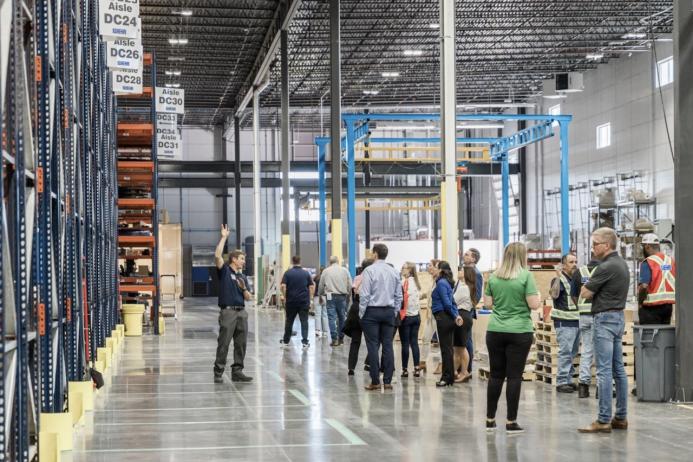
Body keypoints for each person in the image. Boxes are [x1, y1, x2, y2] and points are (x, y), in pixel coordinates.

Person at [484, 242, 540, 433]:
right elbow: (534, 305)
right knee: (514, 377)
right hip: (519, 331)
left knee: (496, 375)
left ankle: (490, 419)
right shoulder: (526, 276)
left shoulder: (493, 277)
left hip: (495, 330)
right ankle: (510, 421)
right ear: (522, 256)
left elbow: (488, 304)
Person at [578, 227, 630, 434]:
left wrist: (590, 288)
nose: (592, 248)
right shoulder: (622, 264)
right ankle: (621, 417)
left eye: (595, 244)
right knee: (618, 371)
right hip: (617, 318)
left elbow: (585, 293)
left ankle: (603, 419)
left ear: (606, 245)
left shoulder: (605, 267)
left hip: (604, 319)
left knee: (604, 371)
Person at [359, 244, 403, 391]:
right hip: (389, 311)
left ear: (375, 254)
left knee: (372, 346)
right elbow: (399, 296)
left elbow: (365, 295)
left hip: (371, 312)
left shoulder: (369, 270)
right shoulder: (394, 272)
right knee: (388, 346)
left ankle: (375, 381)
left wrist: (361, 313)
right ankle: (388, 381)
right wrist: (395, 311)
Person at [213, 224, 253, 383]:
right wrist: (224, 237)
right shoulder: (224, 271)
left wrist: (244, 290)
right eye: (242, 258)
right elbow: (217, 256)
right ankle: (218, 371)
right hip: (228, 312)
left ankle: (237, 371)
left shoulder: (242, 277)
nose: (244, 261)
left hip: (241, 312)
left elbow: (249, 297)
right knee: (224, 343)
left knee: (241, 343)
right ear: (234, 259)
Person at [549, 253, 580, 393]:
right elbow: (554, 295)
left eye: (575, 261)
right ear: (563, 265)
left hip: (576, 321)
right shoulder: (559, 280)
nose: (574, 264)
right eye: (571, 262)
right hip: (564, 322)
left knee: (572, 352)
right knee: (565, 352)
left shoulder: (575, 279)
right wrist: (557, 277)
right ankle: (561, 381)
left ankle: (568, 379)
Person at [571, 254, 600, 399]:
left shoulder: (579, 272)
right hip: (598, 314)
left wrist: (580, 308)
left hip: (583, 316)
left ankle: (583, 387)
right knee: (601, 351)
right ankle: (601, 388)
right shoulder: (602, 270)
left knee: (587, 350)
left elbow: (574, 295)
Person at [432, 261, 464, 388]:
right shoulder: (446, 283)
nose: (433, 269)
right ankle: (449, 377)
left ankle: (446, 378)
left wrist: (455, 315)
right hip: (447, 318)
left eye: (435, 267)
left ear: (440, 270)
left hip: (443, 318)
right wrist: (456, 315)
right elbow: (452, 302)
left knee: (446, 350)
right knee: (448, 349)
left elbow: (447, 303)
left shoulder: (441, 283)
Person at [638, 233, 675, 325]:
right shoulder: (670, 261)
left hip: (650, 308)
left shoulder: (647, 262)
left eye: (643, 246)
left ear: (647, 246)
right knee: (663, 336)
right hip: (668, 306)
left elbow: (644, 286)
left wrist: (640, 302)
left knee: (650, 337)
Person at [344, 259, 374, 375]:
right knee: (371, 340)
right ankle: (368, 363)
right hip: (367, 310)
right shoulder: (372, 278)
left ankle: (351, 367)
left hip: (355, 310)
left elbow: (353, 295)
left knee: (355, 341)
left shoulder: (357, 278)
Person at [280, 256, 315, 349]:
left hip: (291, 302)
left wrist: (285, 296)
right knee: (304, 321)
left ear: (292, 261)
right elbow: (311, 287)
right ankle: (304, 342)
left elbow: (283, 286)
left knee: (289, 321)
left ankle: (286, 341)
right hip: (303, 302)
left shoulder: (287, 273)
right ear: (300, 261)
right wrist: (310, 299)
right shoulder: (306, 273)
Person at [318, 256, 352, 347]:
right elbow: (350, 284)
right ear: (338, 261)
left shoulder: (326, 271)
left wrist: (320, 294)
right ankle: (341, 338)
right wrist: (348, 294)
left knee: (331, 318)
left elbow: (321, 285)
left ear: (330, 262)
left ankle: (334, 339)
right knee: (342, 317)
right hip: (342, 296)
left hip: (330, 297)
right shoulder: (345, 270)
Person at [453, 265, 476, 383]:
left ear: (466, 274)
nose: (459, 271)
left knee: (461, 348)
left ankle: (464, 372)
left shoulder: (463, 287)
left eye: (461, 270)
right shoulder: (465, 286)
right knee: (457, 347)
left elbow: (453, 300)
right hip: (463, 316)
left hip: (462, 316)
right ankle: (455, 371)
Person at [400, 262, 423, 378]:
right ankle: (417, 368)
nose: (402, 269)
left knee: (405, 344)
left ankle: (404, 369)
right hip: (416, 317)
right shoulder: (417, 283)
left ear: (409, 270)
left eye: (404, 268)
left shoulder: (404, 283)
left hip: (406, 317)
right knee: (414, 343)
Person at [462, 248, 483, 373]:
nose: (464, 256)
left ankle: (468, 369)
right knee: (463, 339)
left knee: (467, 339)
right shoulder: (464, 271)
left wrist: (469, 306)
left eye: (467, 255)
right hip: (461, 308)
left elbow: (477, 294)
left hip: (467, 309)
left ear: (473, 259)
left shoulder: (477, 274)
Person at [313, 267, 329, 338]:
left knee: (317, 315)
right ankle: (325, 332)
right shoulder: (327, 279)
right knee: (325, 315)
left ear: (320, 271)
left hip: (317, 297)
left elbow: (314, 287)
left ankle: (317, 331)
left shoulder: (316, 278)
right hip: (325, 297)